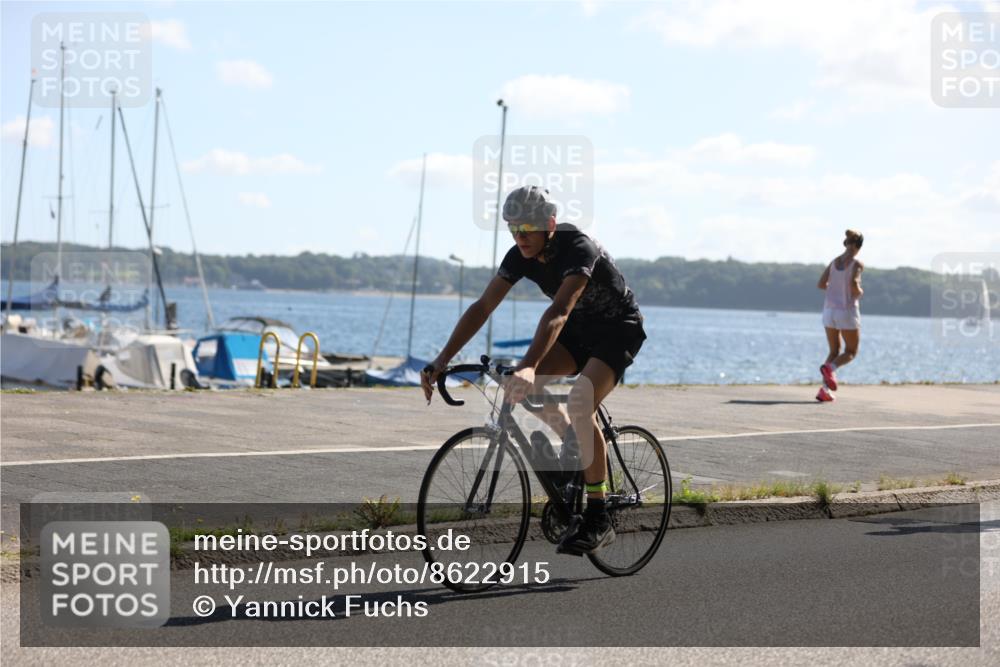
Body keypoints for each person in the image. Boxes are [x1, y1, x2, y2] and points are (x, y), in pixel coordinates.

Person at [420, 185, 646, 555]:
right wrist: (441, 359)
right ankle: (569, 448)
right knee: (525, 386)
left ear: (550, 224)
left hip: (618, 328)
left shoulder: (579, 248)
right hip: (578, 331)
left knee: (579, 401)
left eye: (526, 228)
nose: (519, 237)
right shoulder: (520, 255)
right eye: (512, 228)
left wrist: (528, 365)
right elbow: (483, 306)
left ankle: (599, 516)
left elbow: (558, 311)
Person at [816, 229, 865, 401]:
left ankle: (824, 390)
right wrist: (859, 291)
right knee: (850, 351)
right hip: (846, 310)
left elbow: (821, 284)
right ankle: (832, 369)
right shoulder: (857, 263)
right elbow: (853, 284)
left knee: (834, 350)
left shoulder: (834, 262)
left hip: (829, 311)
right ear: (858, 246)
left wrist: (834, 288)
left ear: (846, 244)